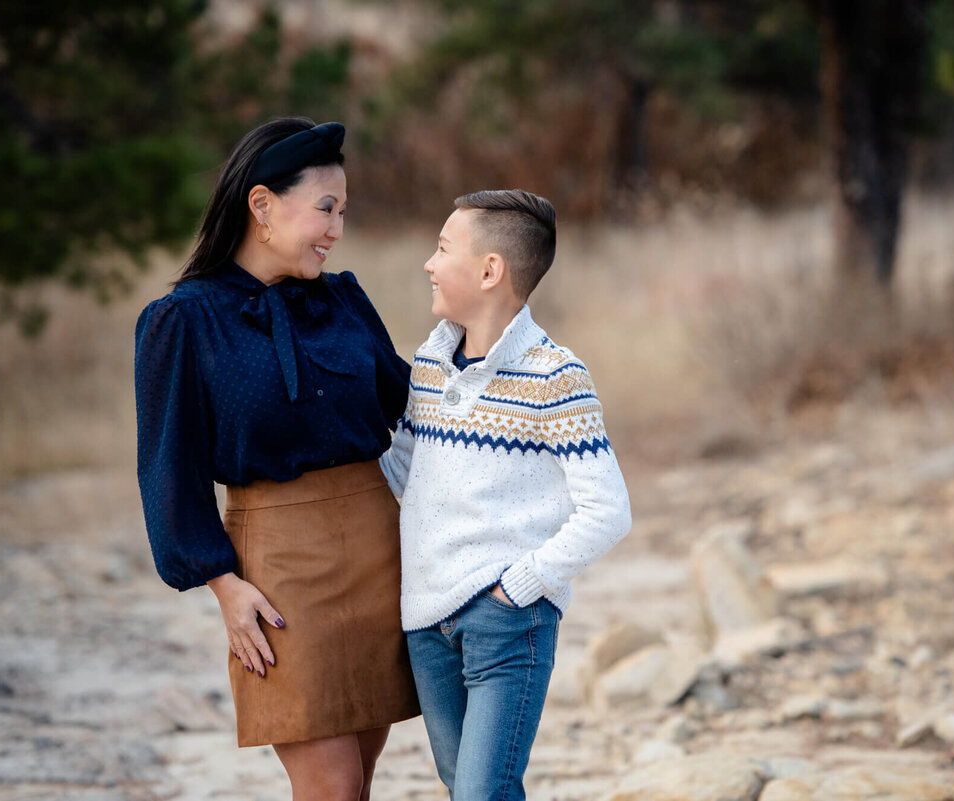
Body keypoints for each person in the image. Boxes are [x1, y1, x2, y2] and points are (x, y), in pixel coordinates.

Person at [134, 117, 418, 801]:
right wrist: (224, 586)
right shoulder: (184, 320)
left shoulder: (345, 302)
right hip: (282, 569)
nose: (336, 228)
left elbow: (417, 407)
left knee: (360, 777)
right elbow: (169, 467)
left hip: (381, 550)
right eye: (326, 208)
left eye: (343, 211)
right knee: (330, 782)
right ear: (261, 205)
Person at [379, 189, 632, 800]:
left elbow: (609, 510)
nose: (428, 264)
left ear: (490, 271)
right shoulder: (430, 366)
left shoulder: (556, 376)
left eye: (443, 248)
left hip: (505, 619)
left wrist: (520, 587)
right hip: (425, 621)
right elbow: (402, 475)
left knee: (481, 794)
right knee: (463, 787)